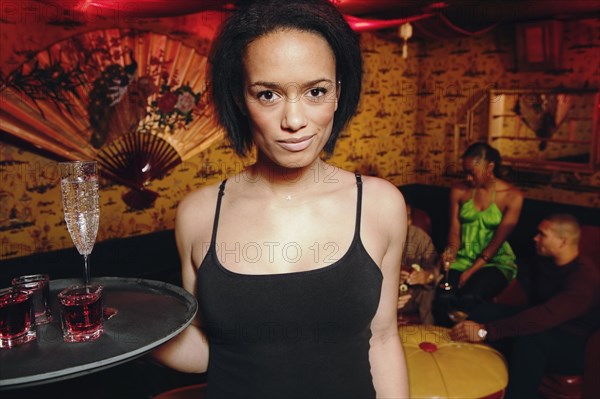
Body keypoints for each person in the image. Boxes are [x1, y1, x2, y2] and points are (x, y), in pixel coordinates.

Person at [152, 1, 409, 398]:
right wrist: (124, 336)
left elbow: (384, 338)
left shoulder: (380, 204)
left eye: (315, 91)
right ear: (241, 98)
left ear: (338, 94)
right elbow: (209, 351)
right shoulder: (200, 214)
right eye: (268, 94)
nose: (293, 120)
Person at [450, 214, 600, 399]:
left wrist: (485, 331)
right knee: (484, 311)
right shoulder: (545, 261)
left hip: (577, 346)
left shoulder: (583, 279)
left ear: (562, 242)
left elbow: (544, 316)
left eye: (542, 234)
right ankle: (471, 382)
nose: (535, 238)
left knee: (529, 340)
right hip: (546, 324)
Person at [433, 142, 523, 326]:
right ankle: (443, 346)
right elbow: (455, 230)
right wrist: (450, 252)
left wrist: (471, 271)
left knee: (470, 296)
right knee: (444, 296)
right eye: (464, 171)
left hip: (494, 262)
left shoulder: (512, 196)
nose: (467, 177)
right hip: (463, 256)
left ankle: (471, 345)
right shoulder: (459, 190)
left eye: (472, 172)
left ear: (490, 167)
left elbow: (497, 242)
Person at [397, 203, 439, 324]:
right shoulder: (373, 237)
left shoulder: (420, 238)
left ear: (409, 220)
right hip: (383, 296)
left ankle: (427, 333)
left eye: (402, 217)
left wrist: (426, 276)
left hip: (411, 295)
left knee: (428, 291)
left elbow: (435, 270)